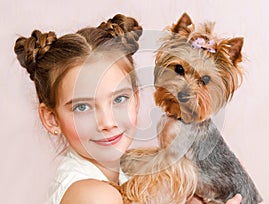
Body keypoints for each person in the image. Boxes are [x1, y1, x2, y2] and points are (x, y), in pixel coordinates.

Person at [14, 14, 243, 204]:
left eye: (119, 99)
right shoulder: (95, 196)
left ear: (136, 98)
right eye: (82, 107)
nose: (107, 122)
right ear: (52, 119)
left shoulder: (119, 175)